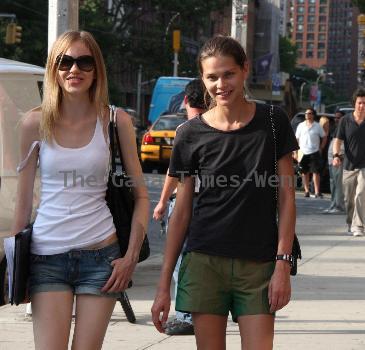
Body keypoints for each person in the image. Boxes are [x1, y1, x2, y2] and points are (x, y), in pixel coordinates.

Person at [151, 35, 297, 350]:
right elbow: (182, 212)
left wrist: (282, 264)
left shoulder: (272, 121)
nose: (221, 84)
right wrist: (164, 285)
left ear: (244, 69)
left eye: (228, 74)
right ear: (203, 79)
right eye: (212, 77)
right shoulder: (189, 134)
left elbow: (286, 199)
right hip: (204, 262)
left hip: (258, 264)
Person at [11, 30, 149, 349]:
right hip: (46, 257)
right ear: (54, 69)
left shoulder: (116, 121)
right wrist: (17, 266)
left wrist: (130, 257)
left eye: (84, 62)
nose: (74, 70)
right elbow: (23, 200)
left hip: (101, 256)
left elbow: (141, 196)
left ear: (96, 69)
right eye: (65, 62)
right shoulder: (34, 123)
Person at [153, 78, 206, 335]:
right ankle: (198, 312)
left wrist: (162, 201)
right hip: (210, 206)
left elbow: (175, 174)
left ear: (186, 100)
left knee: (178, 261)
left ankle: (186, 315)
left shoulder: (186, 129)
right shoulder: (215, 126)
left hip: (186, 205)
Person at [333, 88, 365, 237]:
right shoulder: (345, 120)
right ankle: (350, 222)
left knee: (360, 194)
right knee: (349, 199)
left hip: (364, 166)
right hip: (348, 166)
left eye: (364, 103)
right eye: (359, 103)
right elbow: (337, 140)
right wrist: (336, 155)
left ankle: (358, 225)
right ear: (355, 104)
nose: (362, 106)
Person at [295, 108, 327, 198]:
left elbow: (324, 137)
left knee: (316, 172)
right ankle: (307, 191)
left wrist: (321, 147)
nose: (307, 115)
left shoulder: (317, 126)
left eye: (309, 113)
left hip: (314, 151)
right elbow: (296, 139)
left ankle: (317, 192)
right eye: (306, 113)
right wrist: (295, 152)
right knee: (304, 173)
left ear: (313, 115)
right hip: (303, 152)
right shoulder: (300, 125)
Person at [323, 110, 345, 214]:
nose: (336, 119)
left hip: (339, 160)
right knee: (333, 184)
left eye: (339, 117)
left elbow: (344, 146)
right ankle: (333, 205)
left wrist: (340, 156)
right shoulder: (335, 128)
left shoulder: (345, 128)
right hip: (331, 160)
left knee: (338, 184)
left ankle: (339, 206)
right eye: (335, 117)